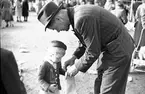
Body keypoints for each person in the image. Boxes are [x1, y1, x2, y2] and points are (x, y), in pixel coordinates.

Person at [37, 1, 134, 94]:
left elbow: (92, 51)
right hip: (109, 47)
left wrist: (76, 67)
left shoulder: (81, 18)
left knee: (110, 89)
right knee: (99, 85)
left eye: (55, 28)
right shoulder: (75, 15)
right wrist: (74, 57)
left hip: (118, 50)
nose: (58, 31)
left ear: (58, 19)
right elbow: (87, 40)